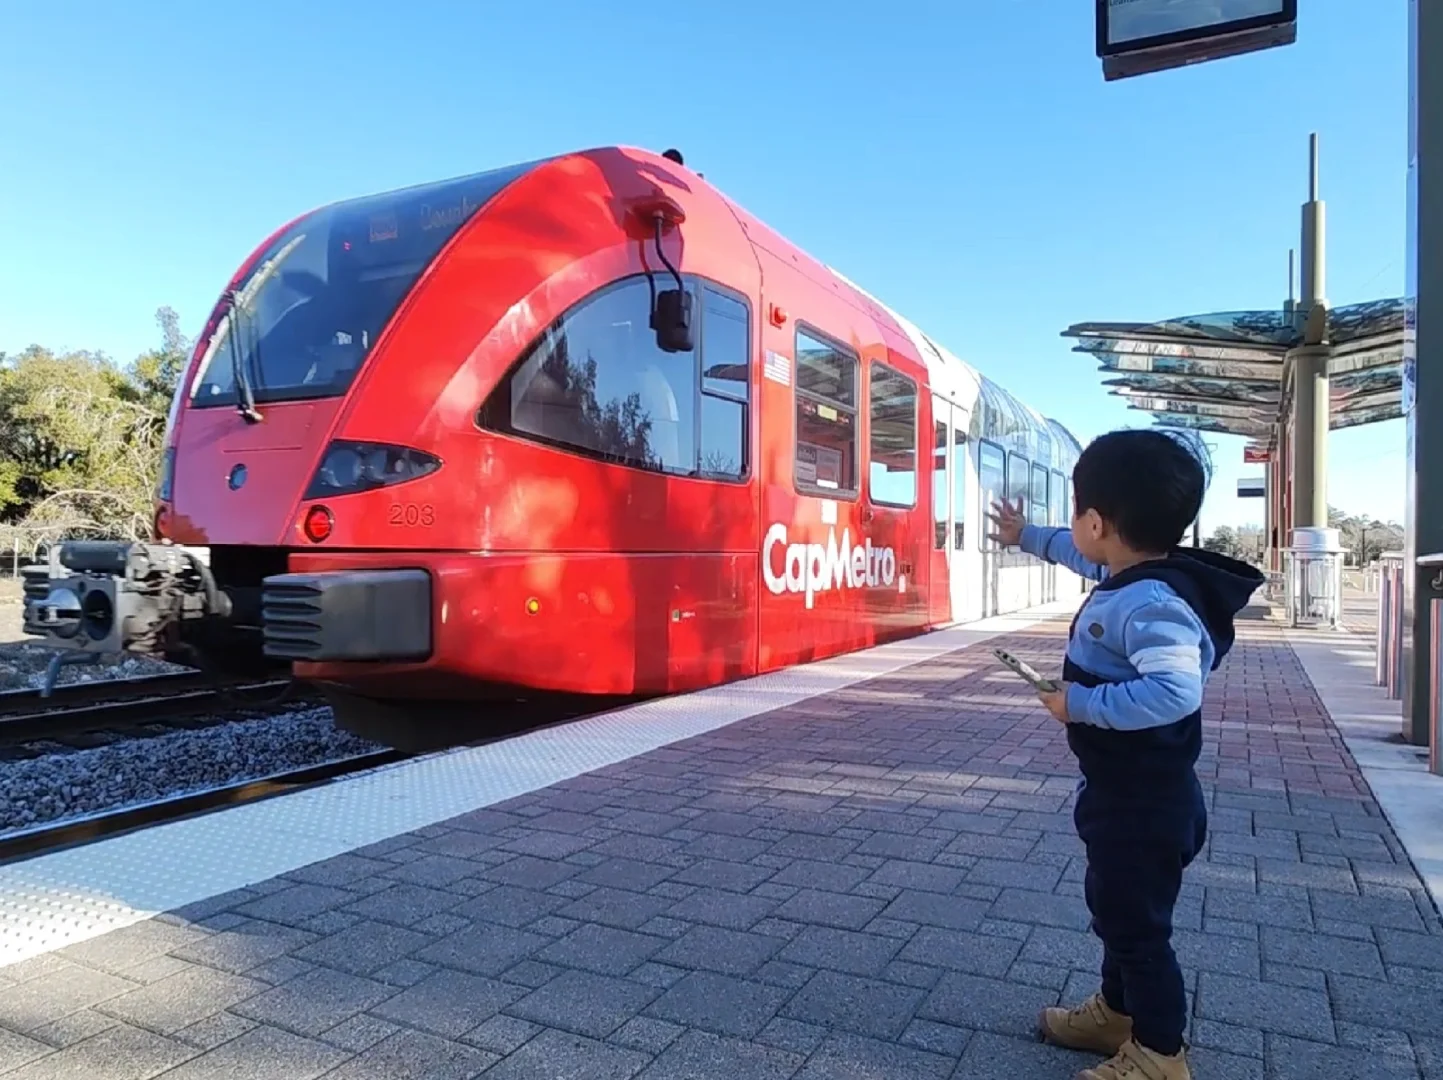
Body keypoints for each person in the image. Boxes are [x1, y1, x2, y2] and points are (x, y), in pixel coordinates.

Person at [987, 429, 1264, 1080]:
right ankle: (1117, 1014)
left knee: (1137, 931)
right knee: (1117, 912)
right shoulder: (1132, 572)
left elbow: (1174, 691)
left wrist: (1079, 703)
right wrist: (1026, 536)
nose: (1072, 530)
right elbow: (1078, 553)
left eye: (1075, 513)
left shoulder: (1149, 601)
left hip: (1143, 806)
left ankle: (1159, 1053)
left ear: (1096, 522)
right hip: (1129, 792)